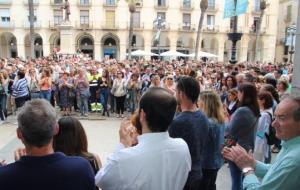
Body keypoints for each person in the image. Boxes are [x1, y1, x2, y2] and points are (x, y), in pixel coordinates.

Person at [95, 87, 191, 190]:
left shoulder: (125, 157)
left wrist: (123, 144)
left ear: (142, 115)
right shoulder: (182, 147)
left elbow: (101, 180)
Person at [0, 99, 95, 190]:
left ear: (19, 134)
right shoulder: (81, 168)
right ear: (56, 129)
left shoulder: (4, 177)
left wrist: (18, 165)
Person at [223, 97, 300, 190]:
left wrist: (247, 169)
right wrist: (252, 163)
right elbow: (275, 170)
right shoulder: (289, 143)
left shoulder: (293, 160)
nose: (274, 124)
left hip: (260, 143)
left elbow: (263, 131)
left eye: (282, 118)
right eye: (276, 117)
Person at [168, 76, 209, 190]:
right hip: (197, 171)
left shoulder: (178, 122)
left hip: (183, 177)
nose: (174, 94)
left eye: (176, 91)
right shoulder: (203, 116)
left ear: (181, 94)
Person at [226, 83, 260, 190]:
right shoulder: (254, 109)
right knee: (243, 178)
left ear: (244, 94)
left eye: (239, 92)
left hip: (237, 149)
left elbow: (229, 131)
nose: (238, 94)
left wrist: (226, 118)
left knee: (236, 181)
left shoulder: (243, 110)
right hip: (248, 146)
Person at [198, 91, 225, 190]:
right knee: (211, 185)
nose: (198, 102)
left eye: (200, 100)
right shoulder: (220, 120)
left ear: (205, 103)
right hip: (216, 161)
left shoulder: (208, 123)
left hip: (206, 162)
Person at [254, 91, 273, 163]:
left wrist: (257, 142)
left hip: (260, 141)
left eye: (258, 99)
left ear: (263, 101)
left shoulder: (265, 114)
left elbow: (260, 130)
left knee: (258, 160)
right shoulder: (265, 110)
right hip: (261, 139)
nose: (256, 101)